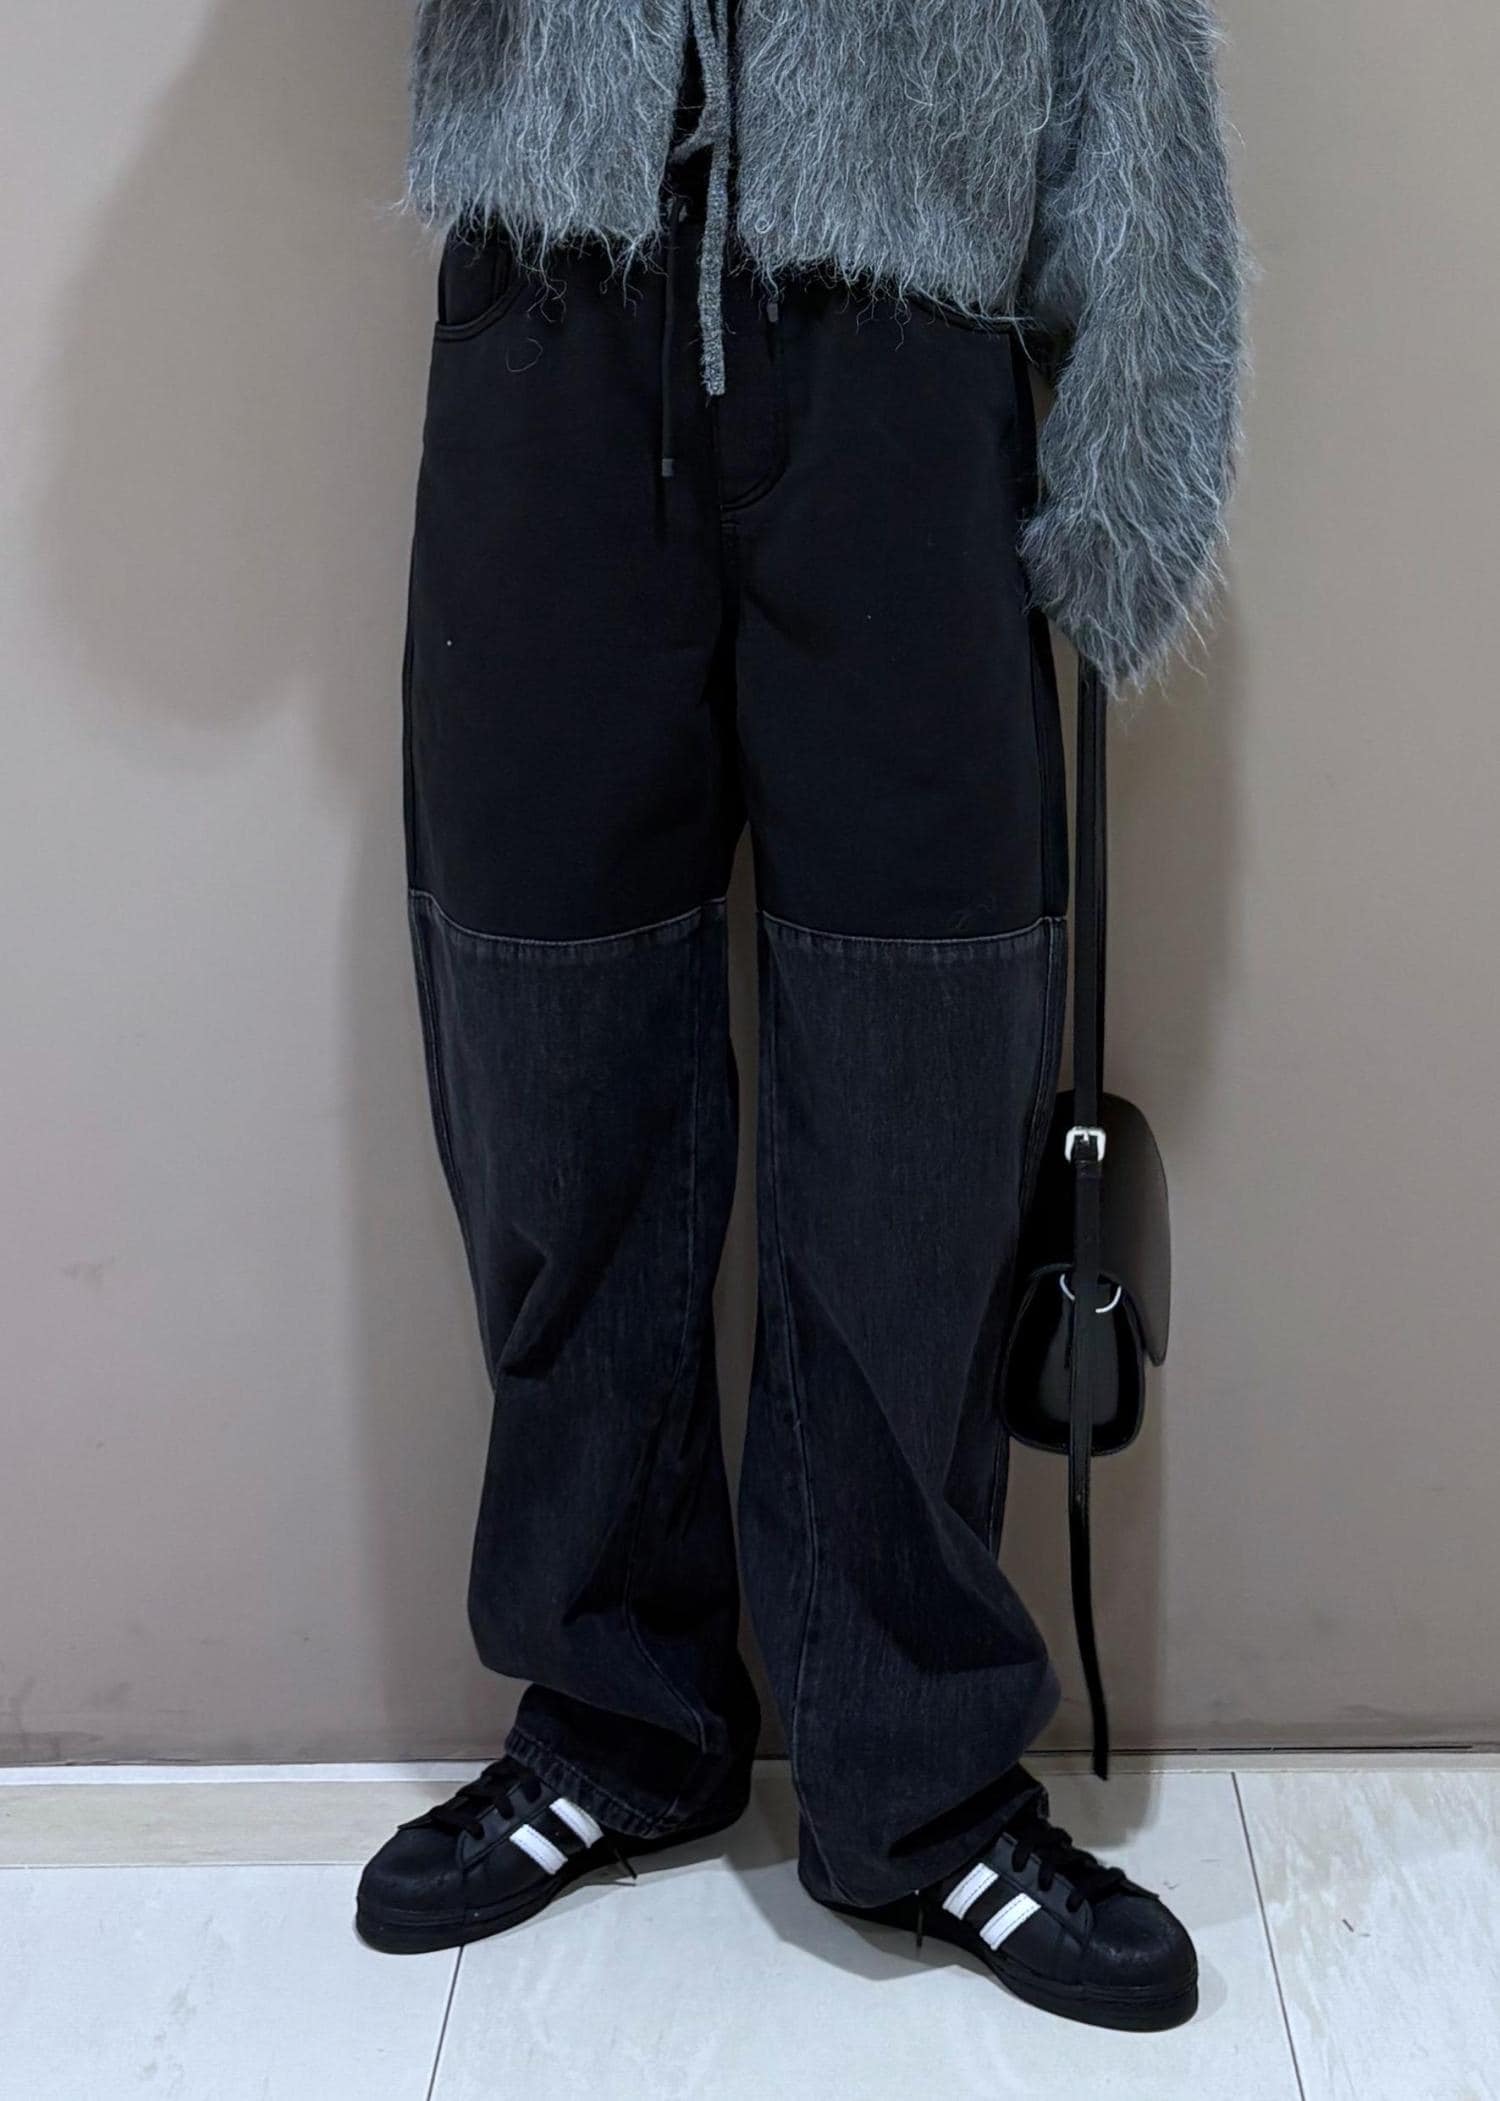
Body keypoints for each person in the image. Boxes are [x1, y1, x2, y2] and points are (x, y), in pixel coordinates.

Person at [357, 0, 1244, 2033]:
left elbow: (1132, 34)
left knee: (928, 1090)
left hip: (909, 349)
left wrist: (1141, 404)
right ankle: (618, 1714)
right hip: (551, 310)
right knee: (545, 1046)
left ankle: (913, 1777)